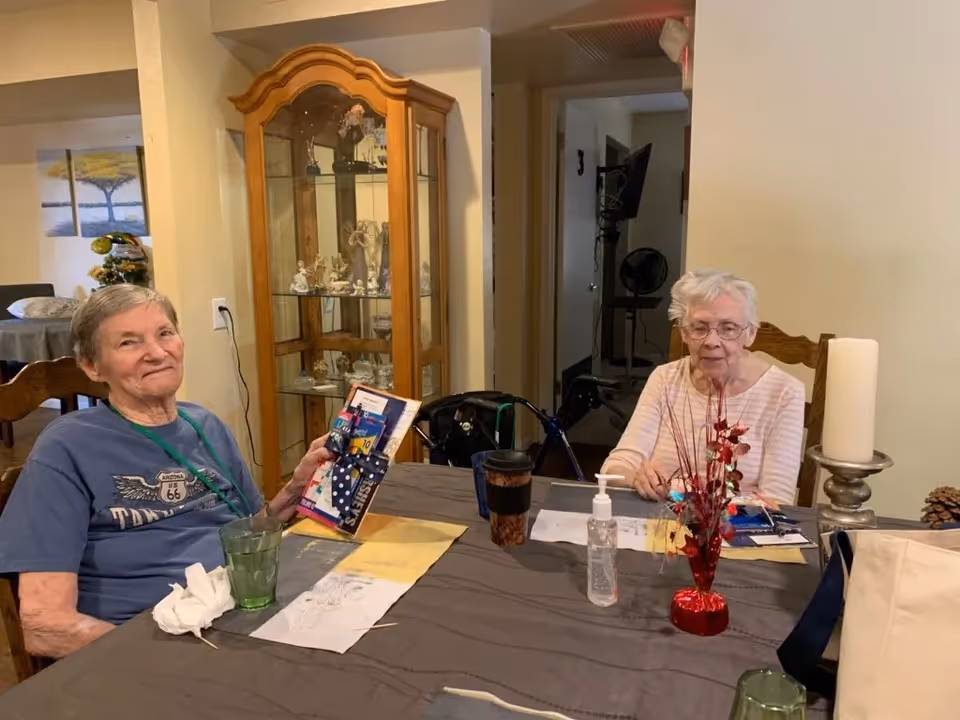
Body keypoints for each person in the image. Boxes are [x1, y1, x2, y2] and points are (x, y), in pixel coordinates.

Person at [0, 285, 333, 658]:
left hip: (240, 614)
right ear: (93, 366)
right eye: (128, 343)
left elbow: (246, 531)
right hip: (148, 643)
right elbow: (46, 626)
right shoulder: (68, 447)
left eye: (164, 333)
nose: (156, 353)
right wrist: (164, 660)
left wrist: (294, 489)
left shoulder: (205, 424)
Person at [601, 269, 804, 506]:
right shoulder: (665, 379)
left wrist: (677, 491)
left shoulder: (784, 392)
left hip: (738, 533)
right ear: (684, 333)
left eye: (728, 328)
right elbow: (613, 469)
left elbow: (777, 501)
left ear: (750, 333)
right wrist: (635, 477)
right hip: (657, 525)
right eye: (699, 327)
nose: (711, 341)